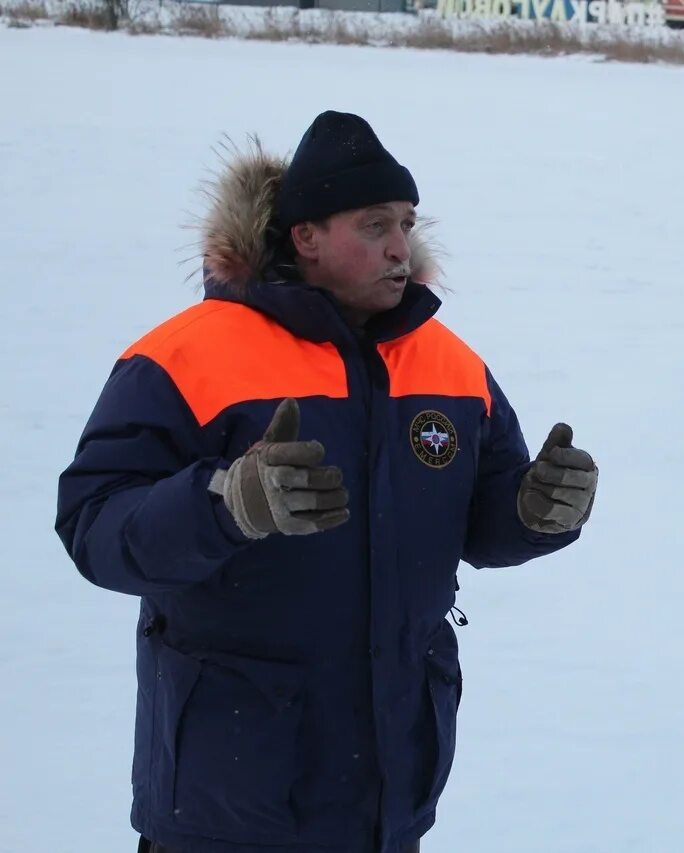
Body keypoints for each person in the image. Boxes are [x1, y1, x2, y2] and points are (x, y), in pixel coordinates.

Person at [55, 111, 598, 853]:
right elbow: (93, 525)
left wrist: (535, 512)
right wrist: (226, 503)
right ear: (305, 236)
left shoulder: (449, 365)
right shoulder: (186, 356)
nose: (400, 246)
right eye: (374, 225)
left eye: (406, 222)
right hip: (229, 800)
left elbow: (481, 519)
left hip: (386, 801)